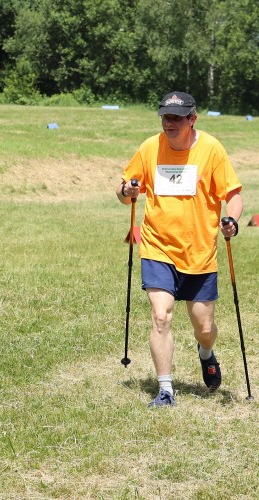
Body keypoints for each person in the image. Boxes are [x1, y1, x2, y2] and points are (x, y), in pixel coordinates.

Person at [116, 91, 243, 407]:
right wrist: (126, 190)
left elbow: (234, 195)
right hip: (158, 247)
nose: (168, 123)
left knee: (205, 328)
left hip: (200, 253)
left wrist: (233, 221)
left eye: (176, 117)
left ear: (192, 119)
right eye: (164, 116)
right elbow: (124, 192)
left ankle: (206, 353)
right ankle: (166, 389)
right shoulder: (150, 148)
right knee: (160, 316)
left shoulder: (211, 149)